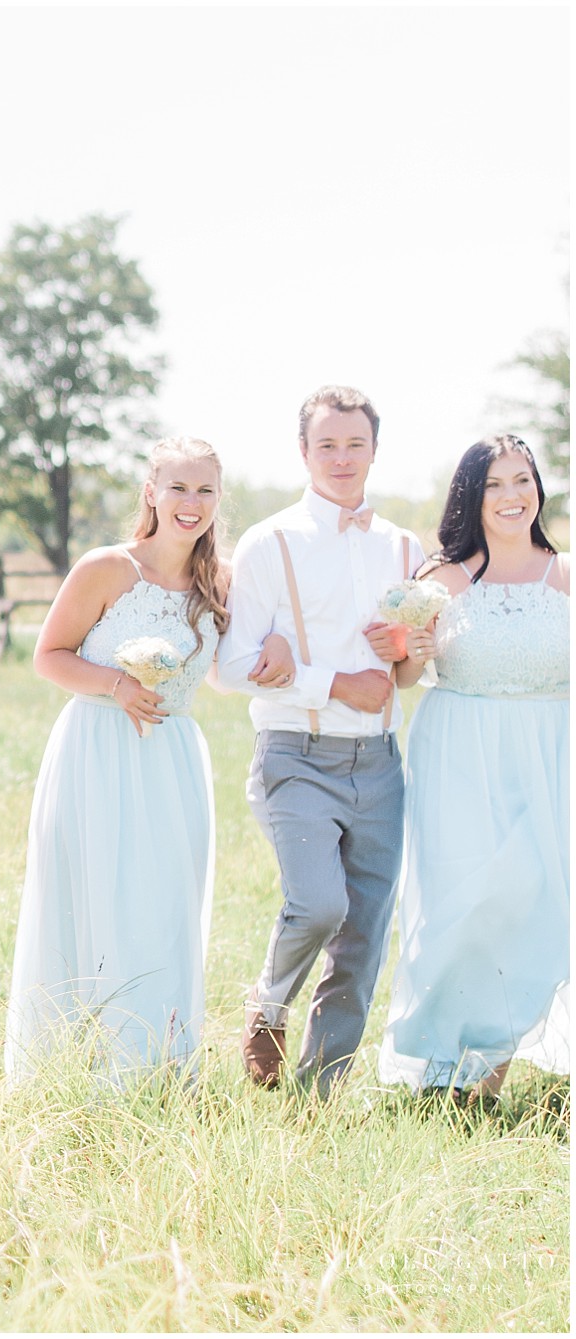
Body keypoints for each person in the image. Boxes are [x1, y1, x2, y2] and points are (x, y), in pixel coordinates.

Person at [5, 438, 255, 1085]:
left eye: (204, 490)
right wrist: (116, 686)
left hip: (170, 758)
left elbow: (231, 669)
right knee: (92, 899)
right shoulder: (108, 568)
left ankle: (156, 1068)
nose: (190, 503)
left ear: (218, 499)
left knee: (163, 906)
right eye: (177, 487)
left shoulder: (219, 582)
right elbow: (49, 655)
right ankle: (76, 1066)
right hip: (97, 750)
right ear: (151, 491)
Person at [216, 385, 425, 1099]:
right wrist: (332, 681)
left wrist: (405, 652)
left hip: (380, 763)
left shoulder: (404, 545)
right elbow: (232, 666)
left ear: (374, 449)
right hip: (296, 755)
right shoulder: (269, 542)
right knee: (319, 905)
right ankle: (269, 1004)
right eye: (327, 444)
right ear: (303, 451)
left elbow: (411, 670)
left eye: (354, 443)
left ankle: (317, 1094)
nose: (341, 457)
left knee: (364, 935)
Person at [378, 436, 568, 1104]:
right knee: (468, 904)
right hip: (460, 754)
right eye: (494, 484)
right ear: (471, 495)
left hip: (549, 753)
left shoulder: (564, 575)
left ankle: (493, 1064)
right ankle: (444, 1068)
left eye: (523, 480)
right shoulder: (446, 577)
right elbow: (403, 676)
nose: (513, 495)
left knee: (534, 900)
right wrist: (411, 649)